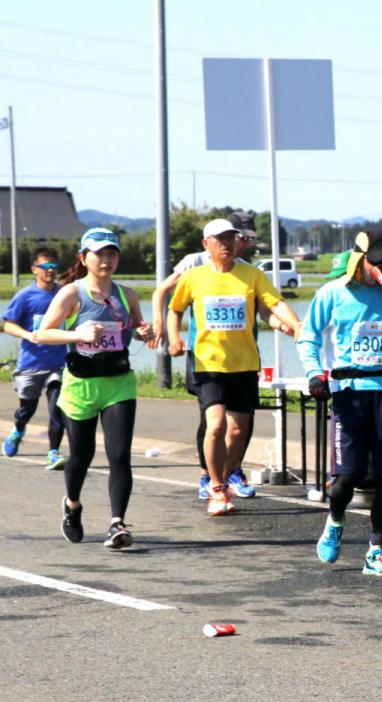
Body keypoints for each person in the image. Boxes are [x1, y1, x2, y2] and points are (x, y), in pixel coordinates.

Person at [298, 229, 382, 576]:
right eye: (377, 261)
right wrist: (315, 374)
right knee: (350, 475)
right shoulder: (334, 292)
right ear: (360, 259)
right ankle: (335, 520)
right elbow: (308, 337)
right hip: (348, 391)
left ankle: (376, 551)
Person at [166, 218, 301, 517]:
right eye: (219, 239)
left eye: (231, 237)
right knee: (216, 424)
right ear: (207, 244)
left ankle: (224, 480)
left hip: (244, 363)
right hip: (207, 362)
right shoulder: (194, 277)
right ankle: (215, 487)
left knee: (238, 429)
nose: (226, 243)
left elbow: (273, 304)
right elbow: (174, 309)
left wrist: (294, 325)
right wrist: (173, 338)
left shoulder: (251, 275)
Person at [34, 228, 153, 548]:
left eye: (112, 253)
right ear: (84, 258)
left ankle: (117, 524)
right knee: (81, 456)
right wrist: (78, 335)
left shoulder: (127, 294)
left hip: (119, 383)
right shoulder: (71, 294)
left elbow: (137, 329)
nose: (107, 260)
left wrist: (146, 332)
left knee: (120, 456)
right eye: (99, 254)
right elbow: (42, 334)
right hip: (81, 385)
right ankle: (72, 504)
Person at [3, 247, 68, 468]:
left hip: (59, 363)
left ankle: (54, 452)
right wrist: (28, 335)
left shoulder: (64, 294)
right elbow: (8, 324)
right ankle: (18, 429)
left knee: (57, 407)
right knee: (26, 410)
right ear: (34, 270)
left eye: (54, 267)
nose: (50, 271)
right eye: (45, 267)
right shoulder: (25, 296)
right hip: (31, 363)